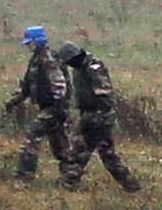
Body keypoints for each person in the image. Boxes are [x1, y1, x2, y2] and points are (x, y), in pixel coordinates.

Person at [56, 42, 141, 192]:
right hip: (90, 114)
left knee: (79, 150)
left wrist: (97, 116)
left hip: (99, 116)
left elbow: (105, 94)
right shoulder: (79, 69)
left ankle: (69, 182)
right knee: (106, 154)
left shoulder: (94, 68)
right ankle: (131, 185)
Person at [4, 25, 71, 180]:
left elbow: (60, 85)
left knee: (32, 138)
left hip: (53, 108)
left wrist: (58, 108)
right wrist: (13, 102)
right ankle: (71, 175)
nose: (28, 46)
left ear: (38, 41)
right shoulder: (35, 60)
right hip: (48, 107)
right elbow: (26, 87)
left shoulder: (49, 59)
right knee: (60, 146)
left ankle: (25, 174)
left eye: (30, 42)